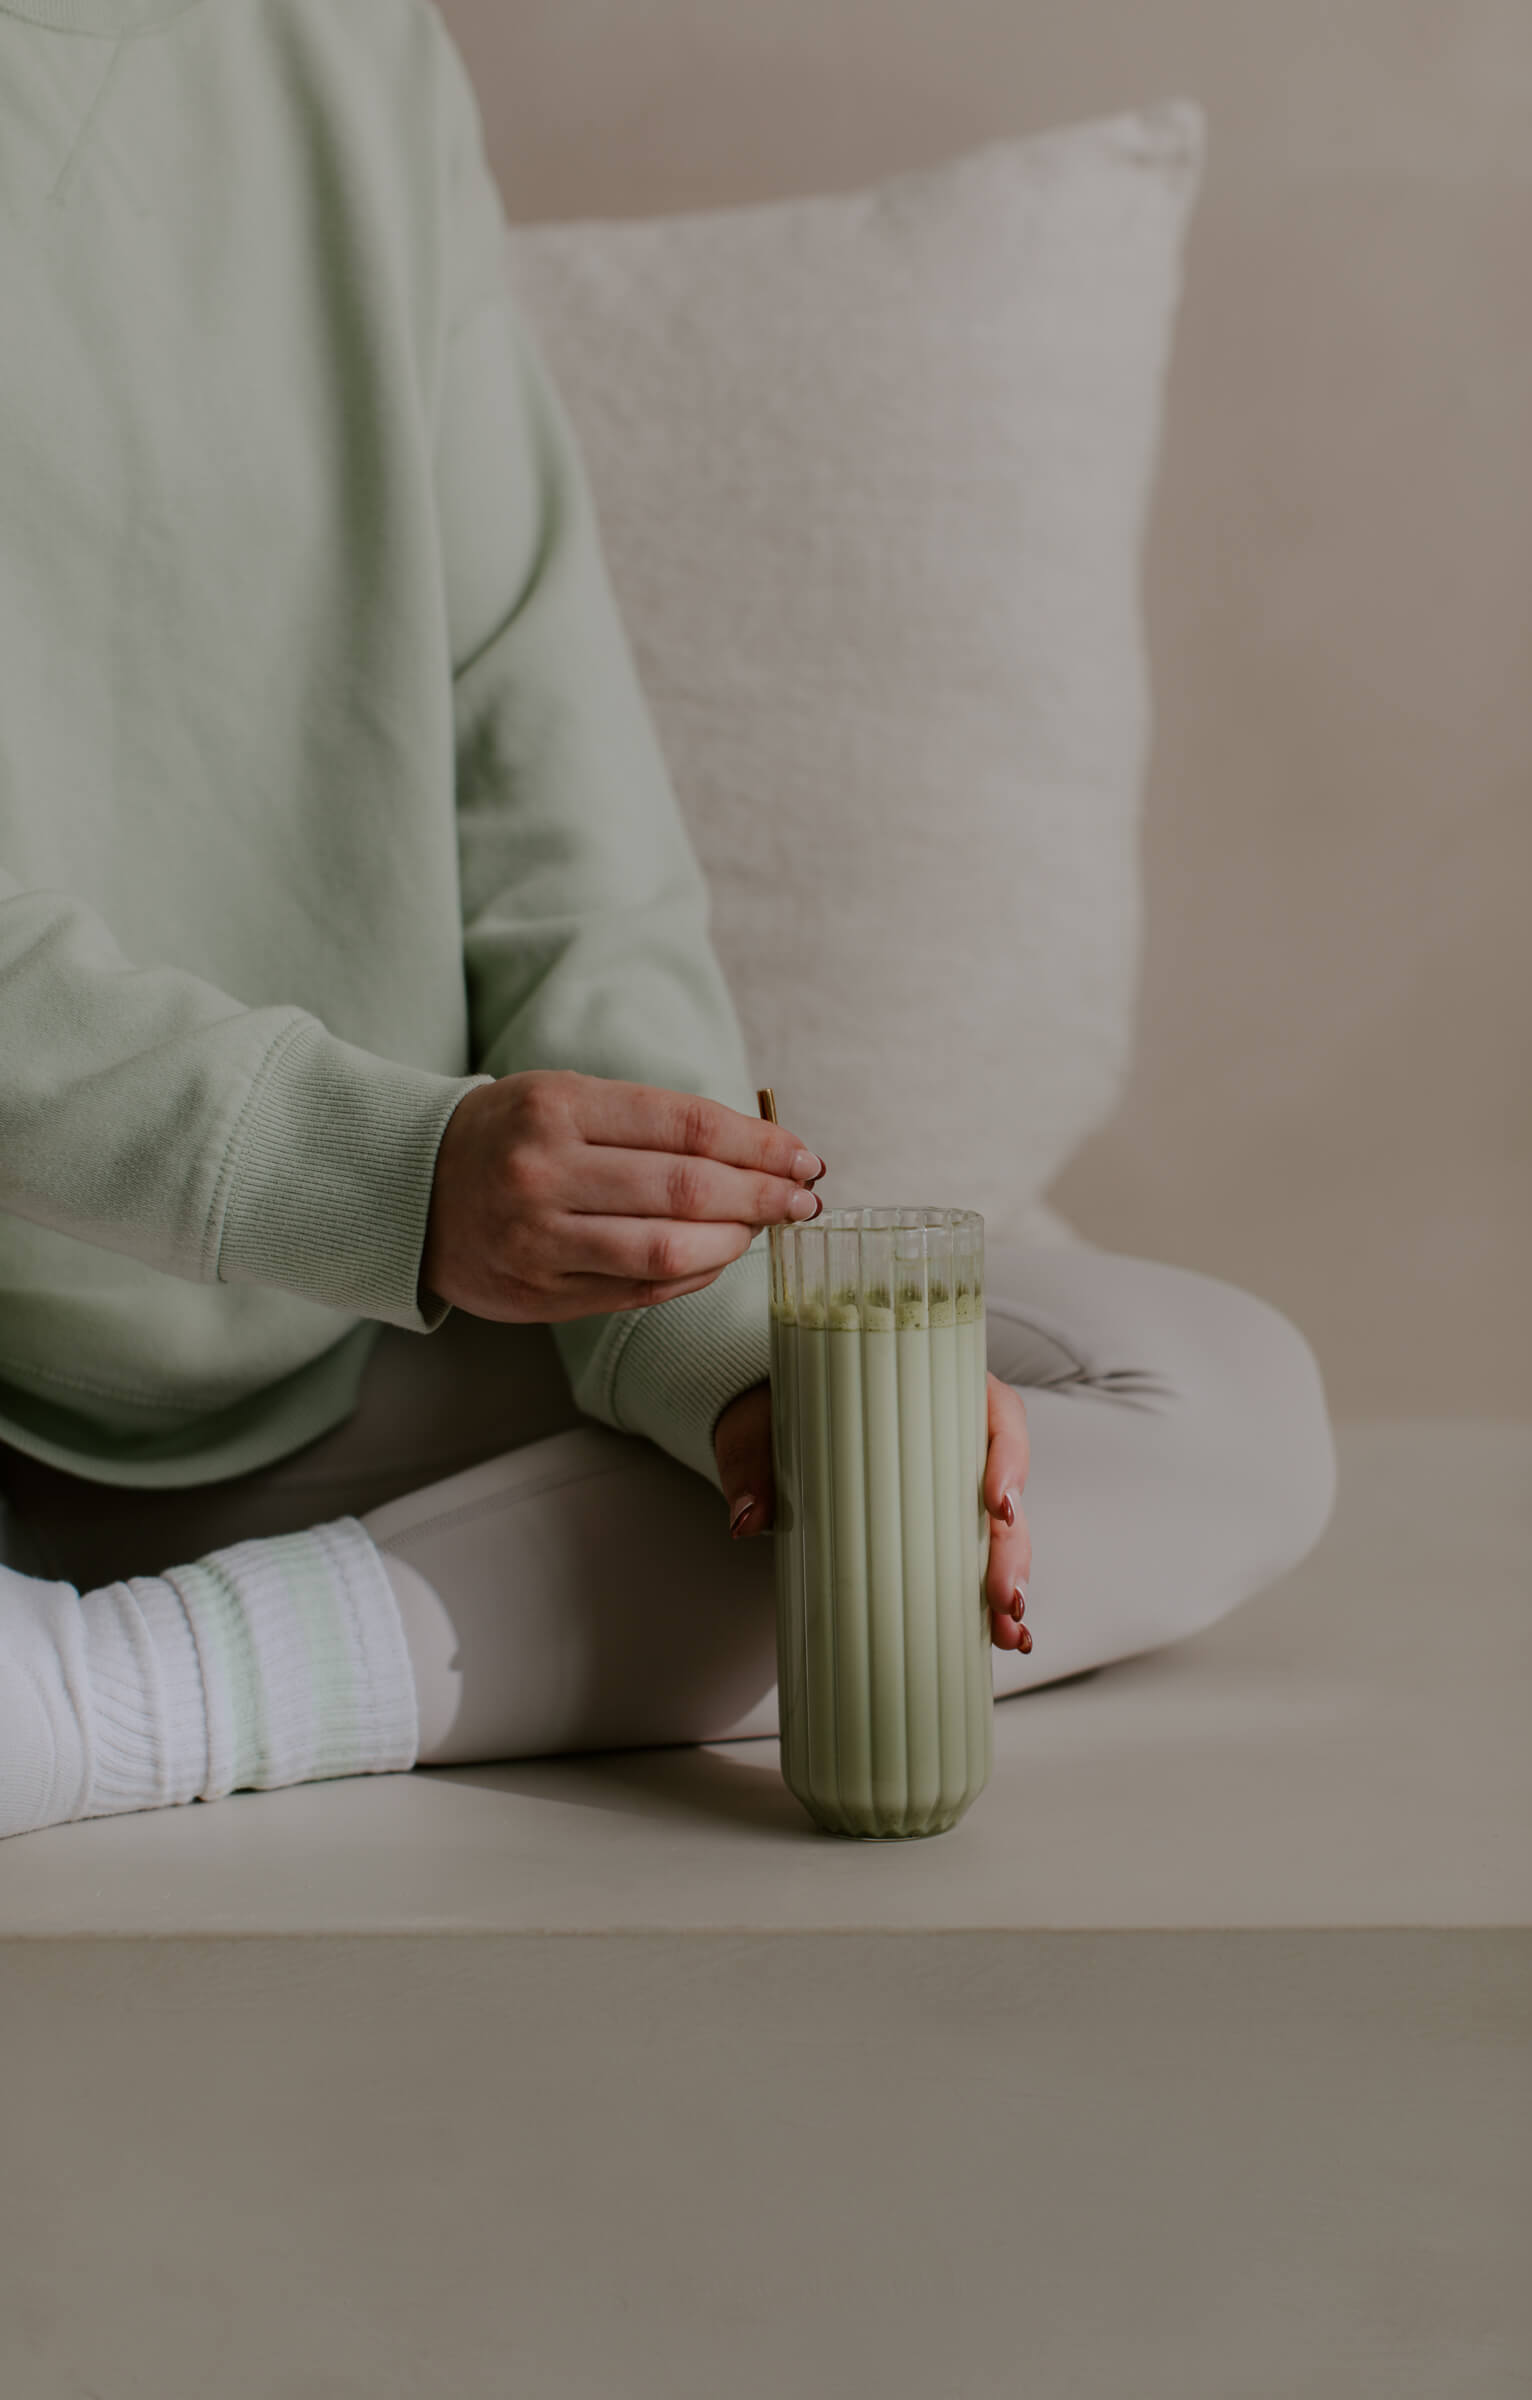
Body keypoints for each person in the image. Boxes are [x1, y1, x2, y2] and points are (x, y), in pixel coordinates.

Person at [0, 0, 1336, 1840]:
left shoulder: (354, 53)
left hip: (377, 1364)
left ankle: (120, 1695)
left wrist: (725, 1361)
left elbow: (559, 817)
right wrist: (384, 1172)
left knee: (1215, 1401)